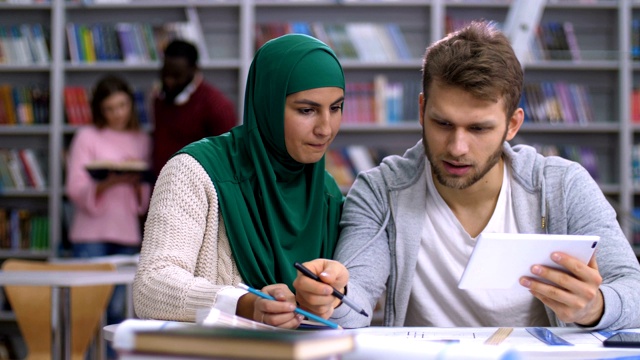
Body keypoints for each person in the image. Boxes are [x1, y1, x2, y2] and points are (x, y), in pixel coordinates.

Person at [293, 21, 640, 331]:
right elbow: (356, 299)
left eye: (478, 128)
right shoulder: (381, 189)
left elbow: (632, 289)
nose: (457, 147)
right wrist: (330, 300)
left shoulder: (562, 185)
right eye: (443, 123)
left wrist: (596, 306)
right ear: (421, 110)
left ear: (513, 125)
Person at [133, 33, 346, 329]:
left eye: (335, 108)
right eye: (307, 110)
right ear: (268, 105)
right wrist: (243, 305)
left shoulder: (327, 193)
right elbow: (151, 288)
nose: (326, 129)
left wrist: (329, 296)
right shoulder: (194, 172)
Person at [65, 75, 151, 328]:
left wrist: (135, 182)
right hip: (91, 235)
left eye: (123, 105)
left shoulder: (141, 138)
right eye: (110, 109)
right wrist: (108, 182)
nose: (118, 114)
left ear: (131, 105)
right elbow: (75, 187)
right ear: (100, 110)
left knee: (120, 313)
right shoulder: (87, 136)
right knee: (88, 312)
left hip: (127, 234)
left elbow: (145, 197)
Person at [152, 39, 238, 178]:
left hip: (193, 190)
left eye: (176, 75)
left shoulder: (217, 106)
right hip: (162, 184)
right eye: (165, 73)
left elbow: (225, 162)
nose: (169, 81)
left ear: (194, 70)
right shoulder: (161, 98)